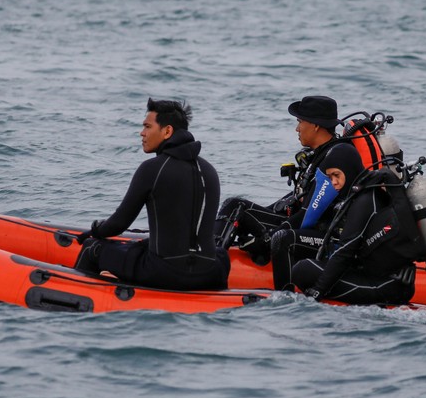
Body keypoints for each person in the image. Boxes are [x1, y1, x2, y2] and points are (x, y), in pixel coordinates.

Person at [74, 98, 230, 291]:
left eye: (147, 126)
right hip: (210, 273)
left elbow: (119, 223)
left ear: (167, 131)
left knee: (92, 247)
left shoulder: (152, 169)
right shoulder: (209, 170)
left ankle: (79, 297)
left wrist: (95, 231)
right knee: (218, 253)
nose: (142, 133)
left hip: (165, 272)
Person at [277, 142, 426, 305]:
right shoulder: (360, 194)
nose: (333, 182)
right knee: (306, 268)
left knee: (303, 270)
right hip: (379, 275)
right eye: (330, 177)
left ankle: (282, 300)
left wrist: (317, 292)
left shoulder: (365, 200)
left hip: (388, 286)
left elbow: (344, 250)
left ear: (349, 171)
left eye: (336, 175)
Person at [215, 95, 343, 262]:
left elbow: (308, 215)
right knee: (237, 207)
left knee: (236, 207)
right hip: (297, 224)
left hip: (316, 237)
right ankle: (215, 250)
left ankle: (209, 261)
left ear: (316, 125)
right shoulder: (320, 155)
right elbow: (295, 200)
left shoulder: (336, 157)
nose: (297, 129)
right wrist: (252, 218)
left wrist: (267, 239)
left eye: (300, 122)